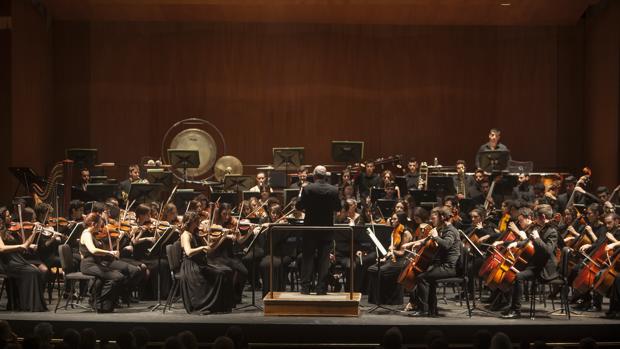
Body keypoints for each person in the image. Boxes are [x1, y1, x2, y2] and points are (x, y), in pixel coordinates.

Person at [501, 204, 558, 319]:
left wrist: (537, 238)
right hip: (535, 264)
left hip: (544, 269)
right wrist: (516, 243)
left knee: (519, 276)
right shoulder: (539, 228)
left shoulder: (552, 232)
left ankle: (516, 311)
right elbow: (527, 241)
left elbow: (548, 251)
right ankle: (512, 306)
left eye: (536, 217)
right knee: (512, 270)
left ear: (542, 216)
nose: (534, 220)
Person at [404, 206, 460, 317]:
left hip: (449, 267)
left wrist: (436, 237)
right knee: (427, 276)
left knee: (422, 278)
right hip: (442, 265)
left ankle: (423, 309)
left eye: (434, 218)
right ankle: (432, 309)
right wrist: (419, 243)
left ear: (442, 217)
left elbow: (447, 245)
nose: (431, 220)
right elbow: (428, 240)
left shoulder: (451, 230)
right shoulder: (441, 229)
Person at [295, 165, 341, 295]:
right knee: (324, 260)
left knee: (308, 258)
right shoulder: (333, 190)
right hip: (326, 229)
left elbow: (299, 206)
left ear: (314, 175)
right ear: (325, 176)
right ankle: (321, 288)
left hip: (310, 228)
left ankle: (305, 288)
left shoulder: (308, 188)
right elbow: (338, 207)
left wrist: (301, 201)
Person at [179, 211, 234, 314]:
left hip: (200, 263)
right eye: (196, 221)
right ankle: (210, 305)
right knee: (220, 274)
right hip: (191, 266)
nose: (199, 223)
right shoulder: (185, 235)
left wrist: (222, 237)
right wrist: (202, 247)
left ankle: (222, 306)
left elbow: (209, 249)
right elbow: (188, 252)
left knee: (227, 271)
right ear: (191, 222)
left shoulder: (196, 233)